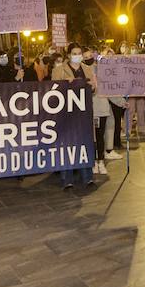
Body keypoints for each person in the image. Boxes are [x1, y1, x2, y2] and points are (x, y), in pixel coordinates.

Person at [52, 47, 95, 189]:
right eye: (74, 54)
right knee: (67, 145)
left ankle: (87, 176)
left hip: (83, 113)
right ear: (69, 55)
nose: (77, 56)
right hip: (66, 113)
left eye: (79, 54)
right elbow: (53, 89)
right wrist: (66, 84)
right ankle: (67, 178)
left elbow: (94, 88)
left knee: (84, 143)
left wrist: (90, 85)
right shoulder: (60, 70)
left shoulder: (87, 69)